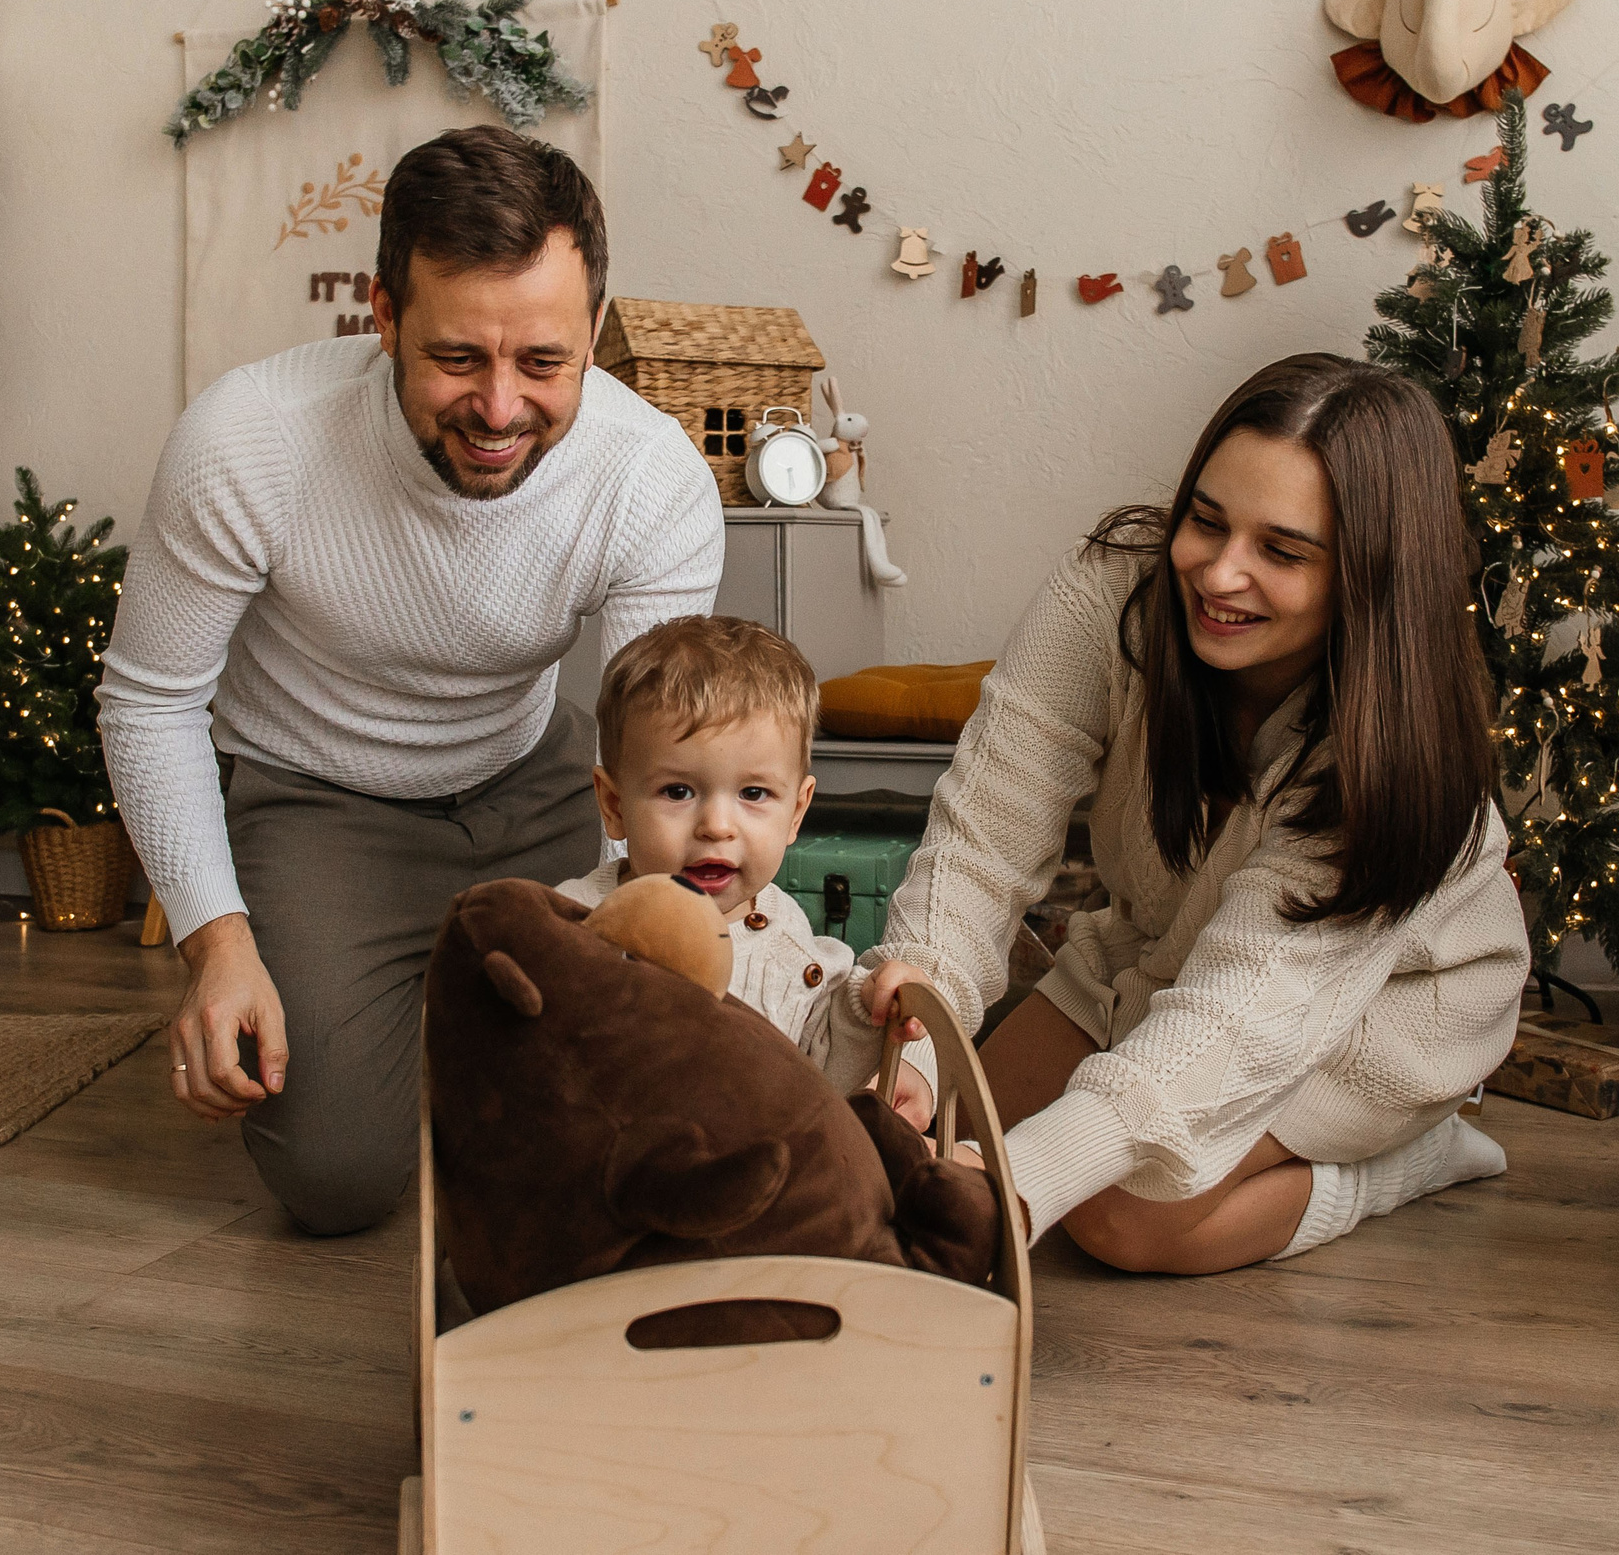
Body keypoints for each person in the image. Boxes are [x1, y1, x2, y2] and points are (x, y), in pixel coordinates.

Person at [97, 127, 724, 1235]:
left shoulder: (650, 477)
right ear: (383, 317)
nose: (500, 409)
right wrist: (218, 944)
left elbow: (662, 753)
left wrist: (670, 931)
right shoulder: (249, 439)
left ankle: (443, 1022)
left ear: (593, 332)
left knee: (635, 1096)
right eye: (457, 358)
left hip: (536, 784)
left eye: (544, 363)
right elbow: (150, 702)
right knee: (334, 1180)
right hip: (317, 801)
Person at [861, 353, 1530, 1273]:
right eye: (1207, 521)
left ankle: (1411, 1158)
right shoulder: (1110, 594)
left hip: (1382, 1009)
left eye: (1282, 552)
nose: (1219, 573)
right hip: (1164, 951)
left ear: (1369, 579)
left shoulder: (1392, 761)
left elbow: (1239, 1013)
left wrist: (1019, 1185)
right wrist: (918, 1039)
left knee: (1119, 1218)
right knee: (937, 1132)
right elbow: (985, 834)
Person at [555, 616, 938, 1126]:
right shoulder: (573, 922)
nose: (717, 827)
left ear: (796, 812)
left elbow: (824, 1082)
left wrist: (869, 1008)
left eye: (753, 793)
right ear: (614, 804)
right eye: (677, 791)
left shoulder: (791, 945)